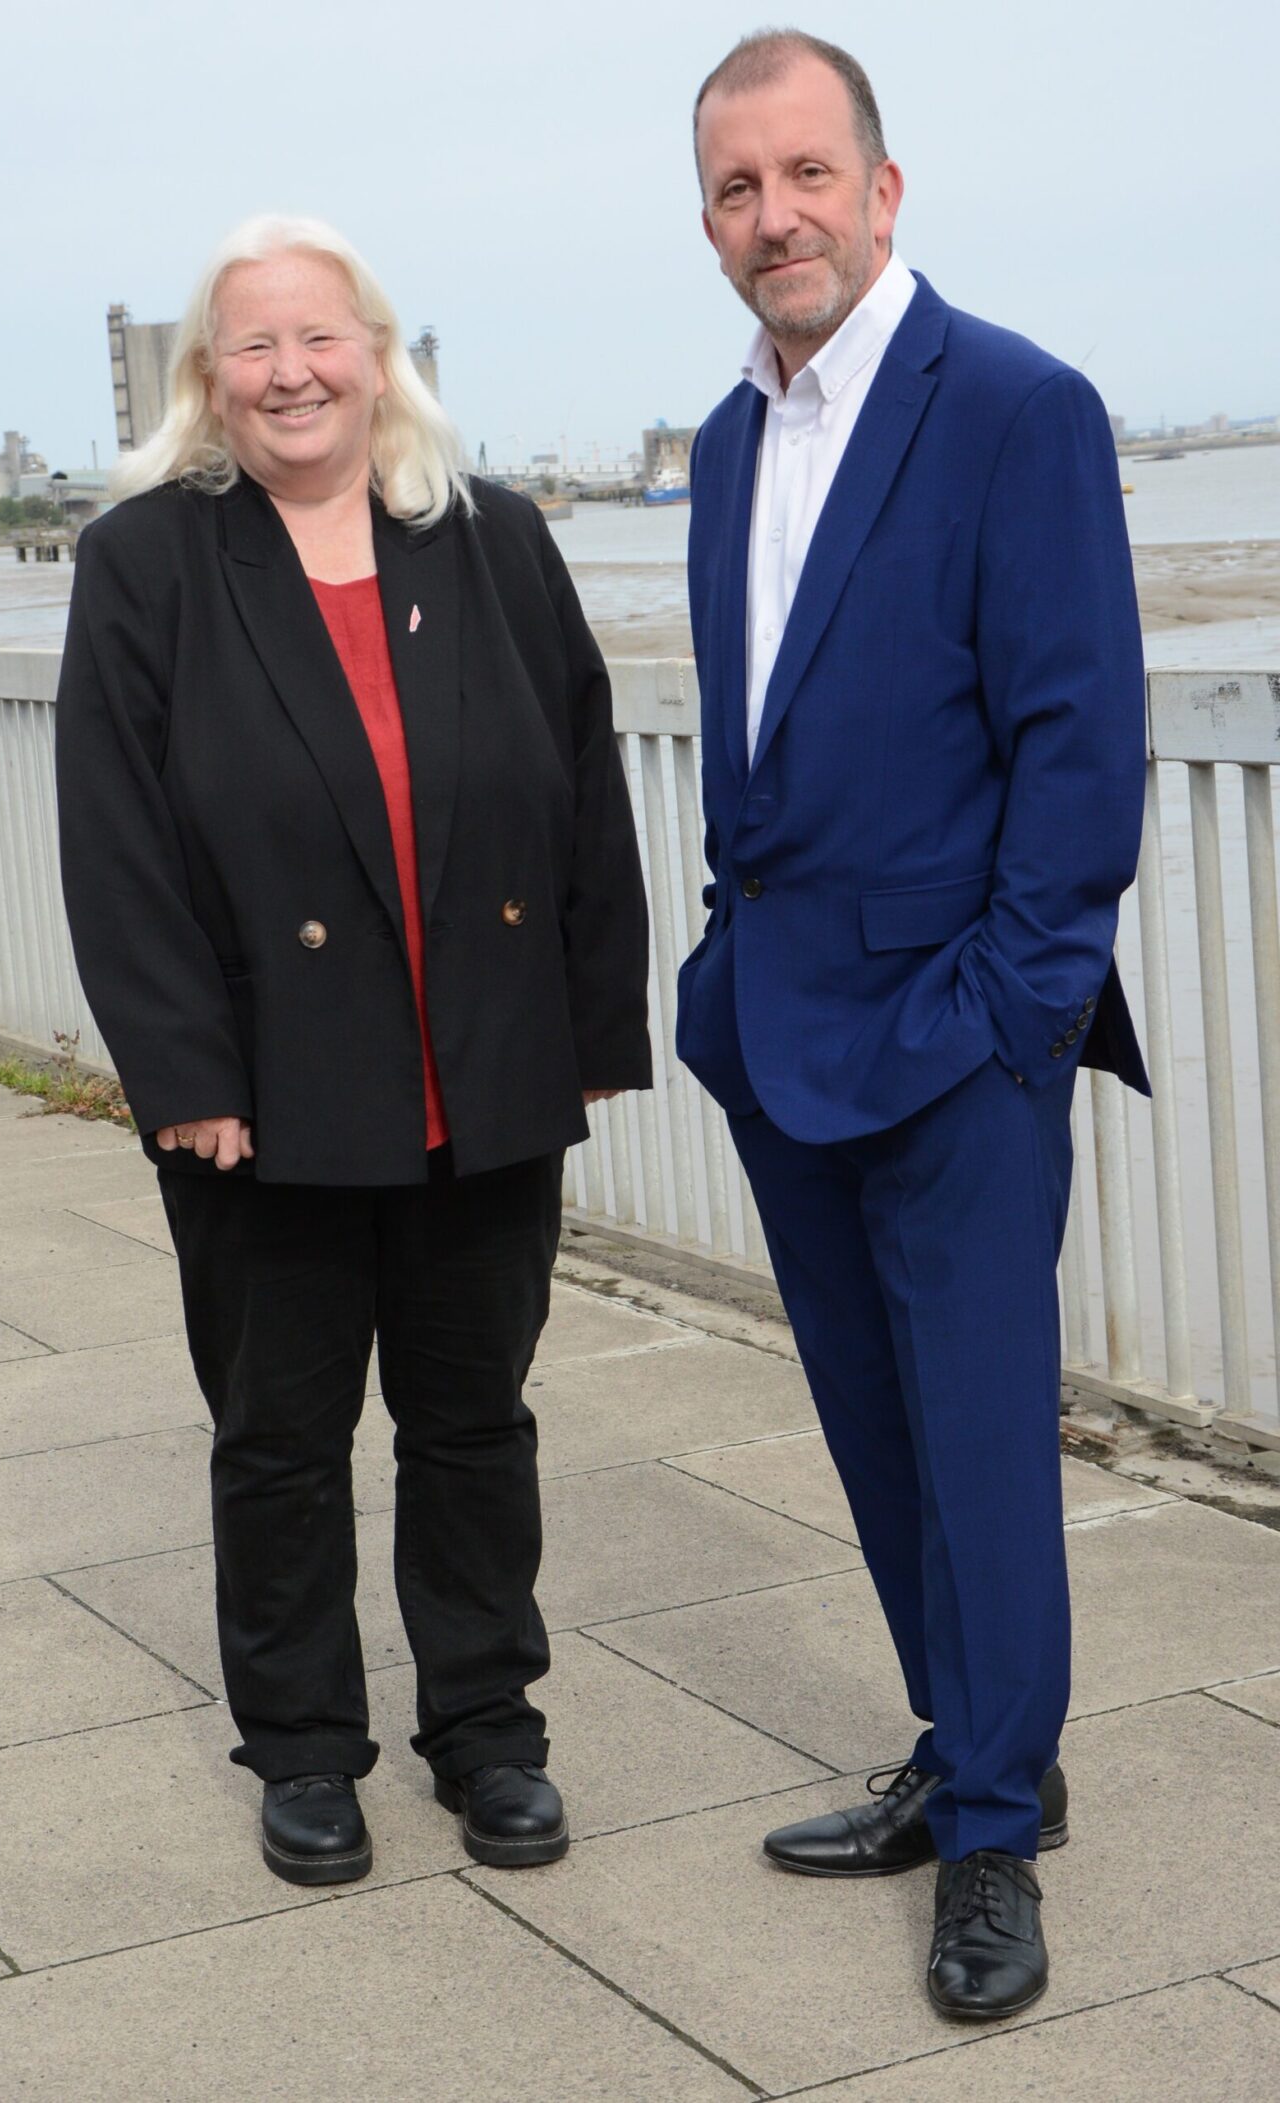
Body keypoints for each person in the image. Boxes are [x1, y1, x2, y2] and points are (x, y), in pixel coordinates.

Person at [55, 216, 651, 1887]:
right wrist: (185, 1079)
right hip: (268, 1095)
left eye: (321, 336)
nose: (292, 372)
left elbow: (583, 781)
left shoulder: (493, 538)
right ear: (208, 379)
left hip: (485, 1072)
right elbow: (115, 843)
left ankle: (489, 1731)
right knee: (281, 1440)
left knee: (475, 1424)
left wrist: (593, 1025)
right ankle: (306, 1748)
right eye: (254, 345)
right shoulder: (149, 562)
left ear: (380, 358)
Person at [678, 33, 1147, 2020]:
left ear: (881, 189)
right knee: (877, 1439)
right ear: (708, 222)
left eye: (805, 174)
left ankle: (994, 1841)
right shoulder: (725, 442)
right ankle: (972, 1743)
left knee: (979, 1443)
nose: (772, 215)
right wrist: (718, 974)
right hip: (784, 1037)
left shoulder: (1016, 408)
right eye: (735, 188)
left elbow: (1079, 753)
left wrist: (1011, 1017)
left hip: (958, 1043)